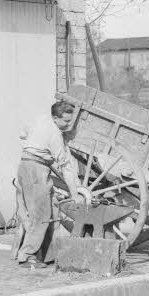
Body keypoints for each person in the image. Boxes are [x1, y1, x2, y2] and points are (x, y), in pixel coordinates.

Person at [13, 100, 90, 267]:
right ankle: (26, 256)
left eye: (70, 121)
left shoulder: (42, 119)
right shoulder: (55, 134)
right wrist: (75, 194)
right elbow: (66, 168)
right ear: (55, 118)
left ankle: (49, 254)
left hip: (32, 167)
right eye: (66, 121)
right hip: (35, 170)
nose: (69, 125)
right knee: (40, 215)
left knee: (53, 210)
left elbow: (23, 132)